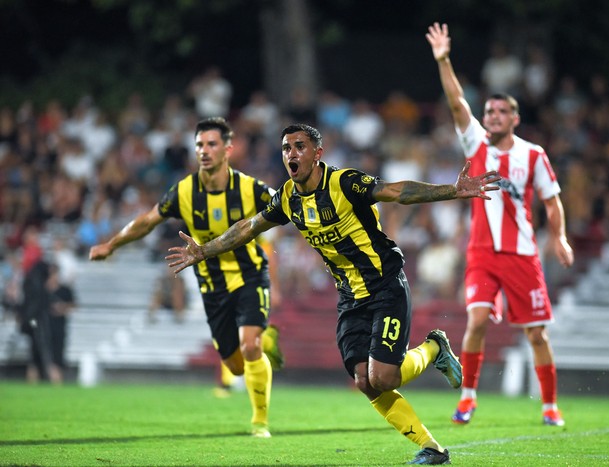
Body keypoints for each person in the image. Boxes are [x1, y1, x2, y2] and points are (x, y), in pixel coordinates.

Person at [166, 123, 501, 464]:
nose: (291, 154)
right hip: (350, 299)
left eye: (299, 146)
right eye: (285, 148)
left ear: (317, 153)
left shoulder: (344, 183)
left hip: (385, 286)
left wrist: (451, 191)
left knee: (383, 377)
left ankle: (434, 347)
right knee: (364, 381)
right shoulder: (287, 198)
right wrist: (204, 250)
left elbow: (397, 191)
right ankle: (433, 448)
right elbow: (249, 227)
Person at [89, 117, 283, 438]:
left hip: (250, 275)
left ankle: (259, 421)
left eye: (211, 144)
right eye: (199, 145)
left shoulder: (250, 188)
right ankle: (269, 341)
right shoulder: (184, 191)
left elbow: (290, 204)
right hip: (212, 285)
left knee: (251, 347)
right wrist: (112, 244)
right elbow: (147, 221)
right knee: (235, 366)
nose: (204, 151)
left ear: (228, 149)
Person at [426, 23, 575, 427]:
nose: (492, 115)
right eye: (488, 111)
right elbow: (457, 101)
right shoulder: (474, 143)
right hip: (481, 252)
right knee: (475, 321)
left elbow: (552, 201)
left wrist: (558, 236)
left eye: (500, 111)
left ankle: (549, 406)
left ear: (515, 117)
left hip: (523, 255)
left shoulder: (534, 155)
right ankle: (468, 399)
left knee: (537, 335)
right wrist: (444, 59)